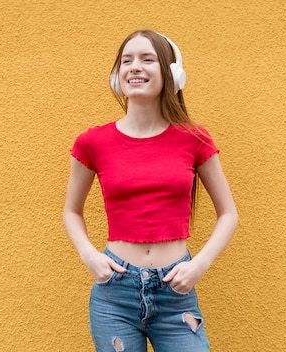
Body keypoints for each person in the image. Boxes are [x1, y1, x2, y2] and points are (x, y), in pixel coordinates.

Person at [63, 30, 238, 352]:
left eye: (147, 59)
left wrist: (199, 265)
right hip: (114, 294)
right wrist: (89, 255)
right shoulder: (92, 142)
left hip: (176, 295)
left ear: (172, 73)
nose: (135, 67)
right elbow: (71, 211)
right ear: (117, 76)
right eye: (126, 61)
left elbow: (229, 214)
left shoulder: (194, 139)